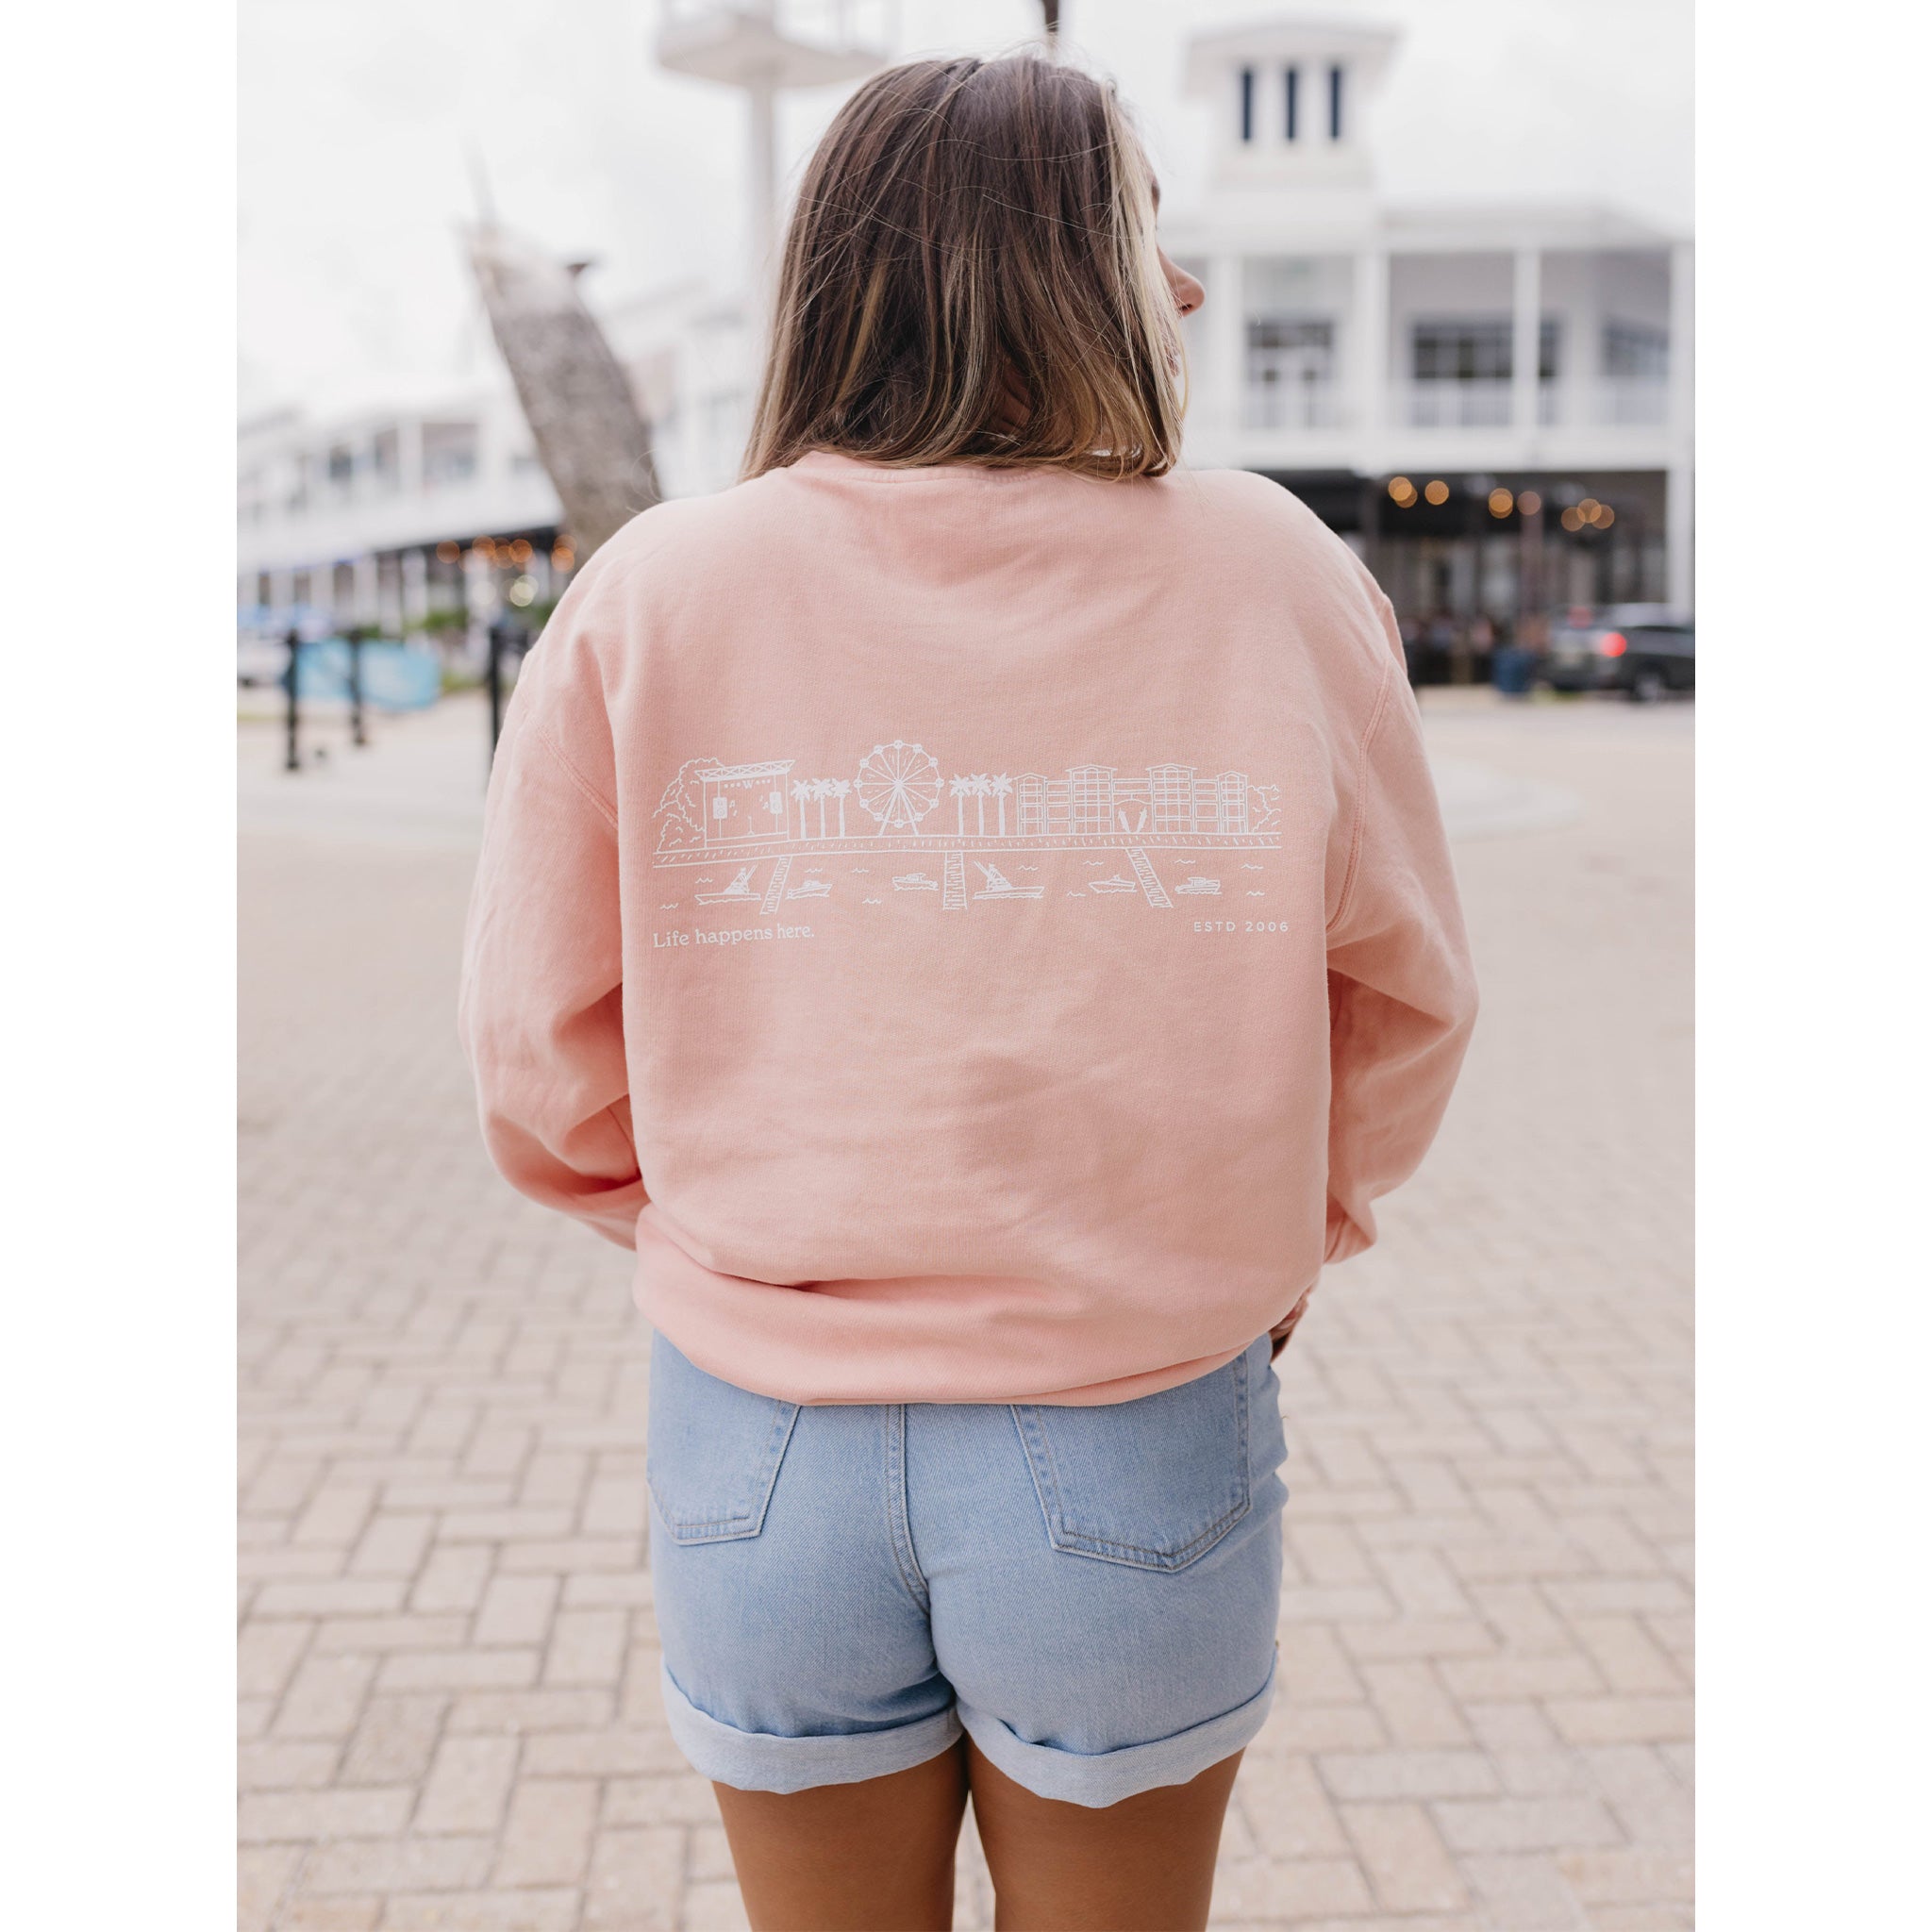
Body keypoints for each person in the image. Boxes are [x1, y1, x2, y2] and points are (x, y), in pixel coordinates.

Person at [460, 51, 1475, 1932]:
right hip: (1129, 1407)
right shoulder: (1274, 577)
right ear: (1061, 265)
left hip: (756, 1429)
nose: (1181, 285)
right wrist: (1285, 1231)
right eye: (1148, 230)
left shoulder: (653, 593)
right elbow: (1401, 994)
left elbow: (540, 1055)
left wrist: (724, 1222)